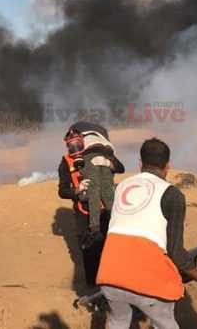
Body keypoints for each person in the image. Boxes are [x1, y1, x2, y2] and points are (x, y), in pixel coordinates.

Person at [96, 137, 197, 329]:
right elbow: (175, 251)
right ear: (168, 165)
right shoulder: (172, 194)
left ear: (140, 163)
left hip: (109, 276)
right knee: (164, 324)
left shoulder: (120, 188)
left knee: (118, 321)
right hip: (148, 282)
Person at [57, 121, 124, 300]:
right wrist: (77, 191)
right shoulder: (66, 163)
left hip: (104, 210)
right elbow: (62, 191)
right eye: (71, 145)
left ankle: (114, 282)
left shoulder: (100, 155)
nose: (75, 148)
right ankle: (93, 288)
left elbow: (119, 167)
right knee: (88, 249)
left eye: (78, 144)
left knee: (109, 245)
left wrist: (107, 164)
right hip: (82, 212)